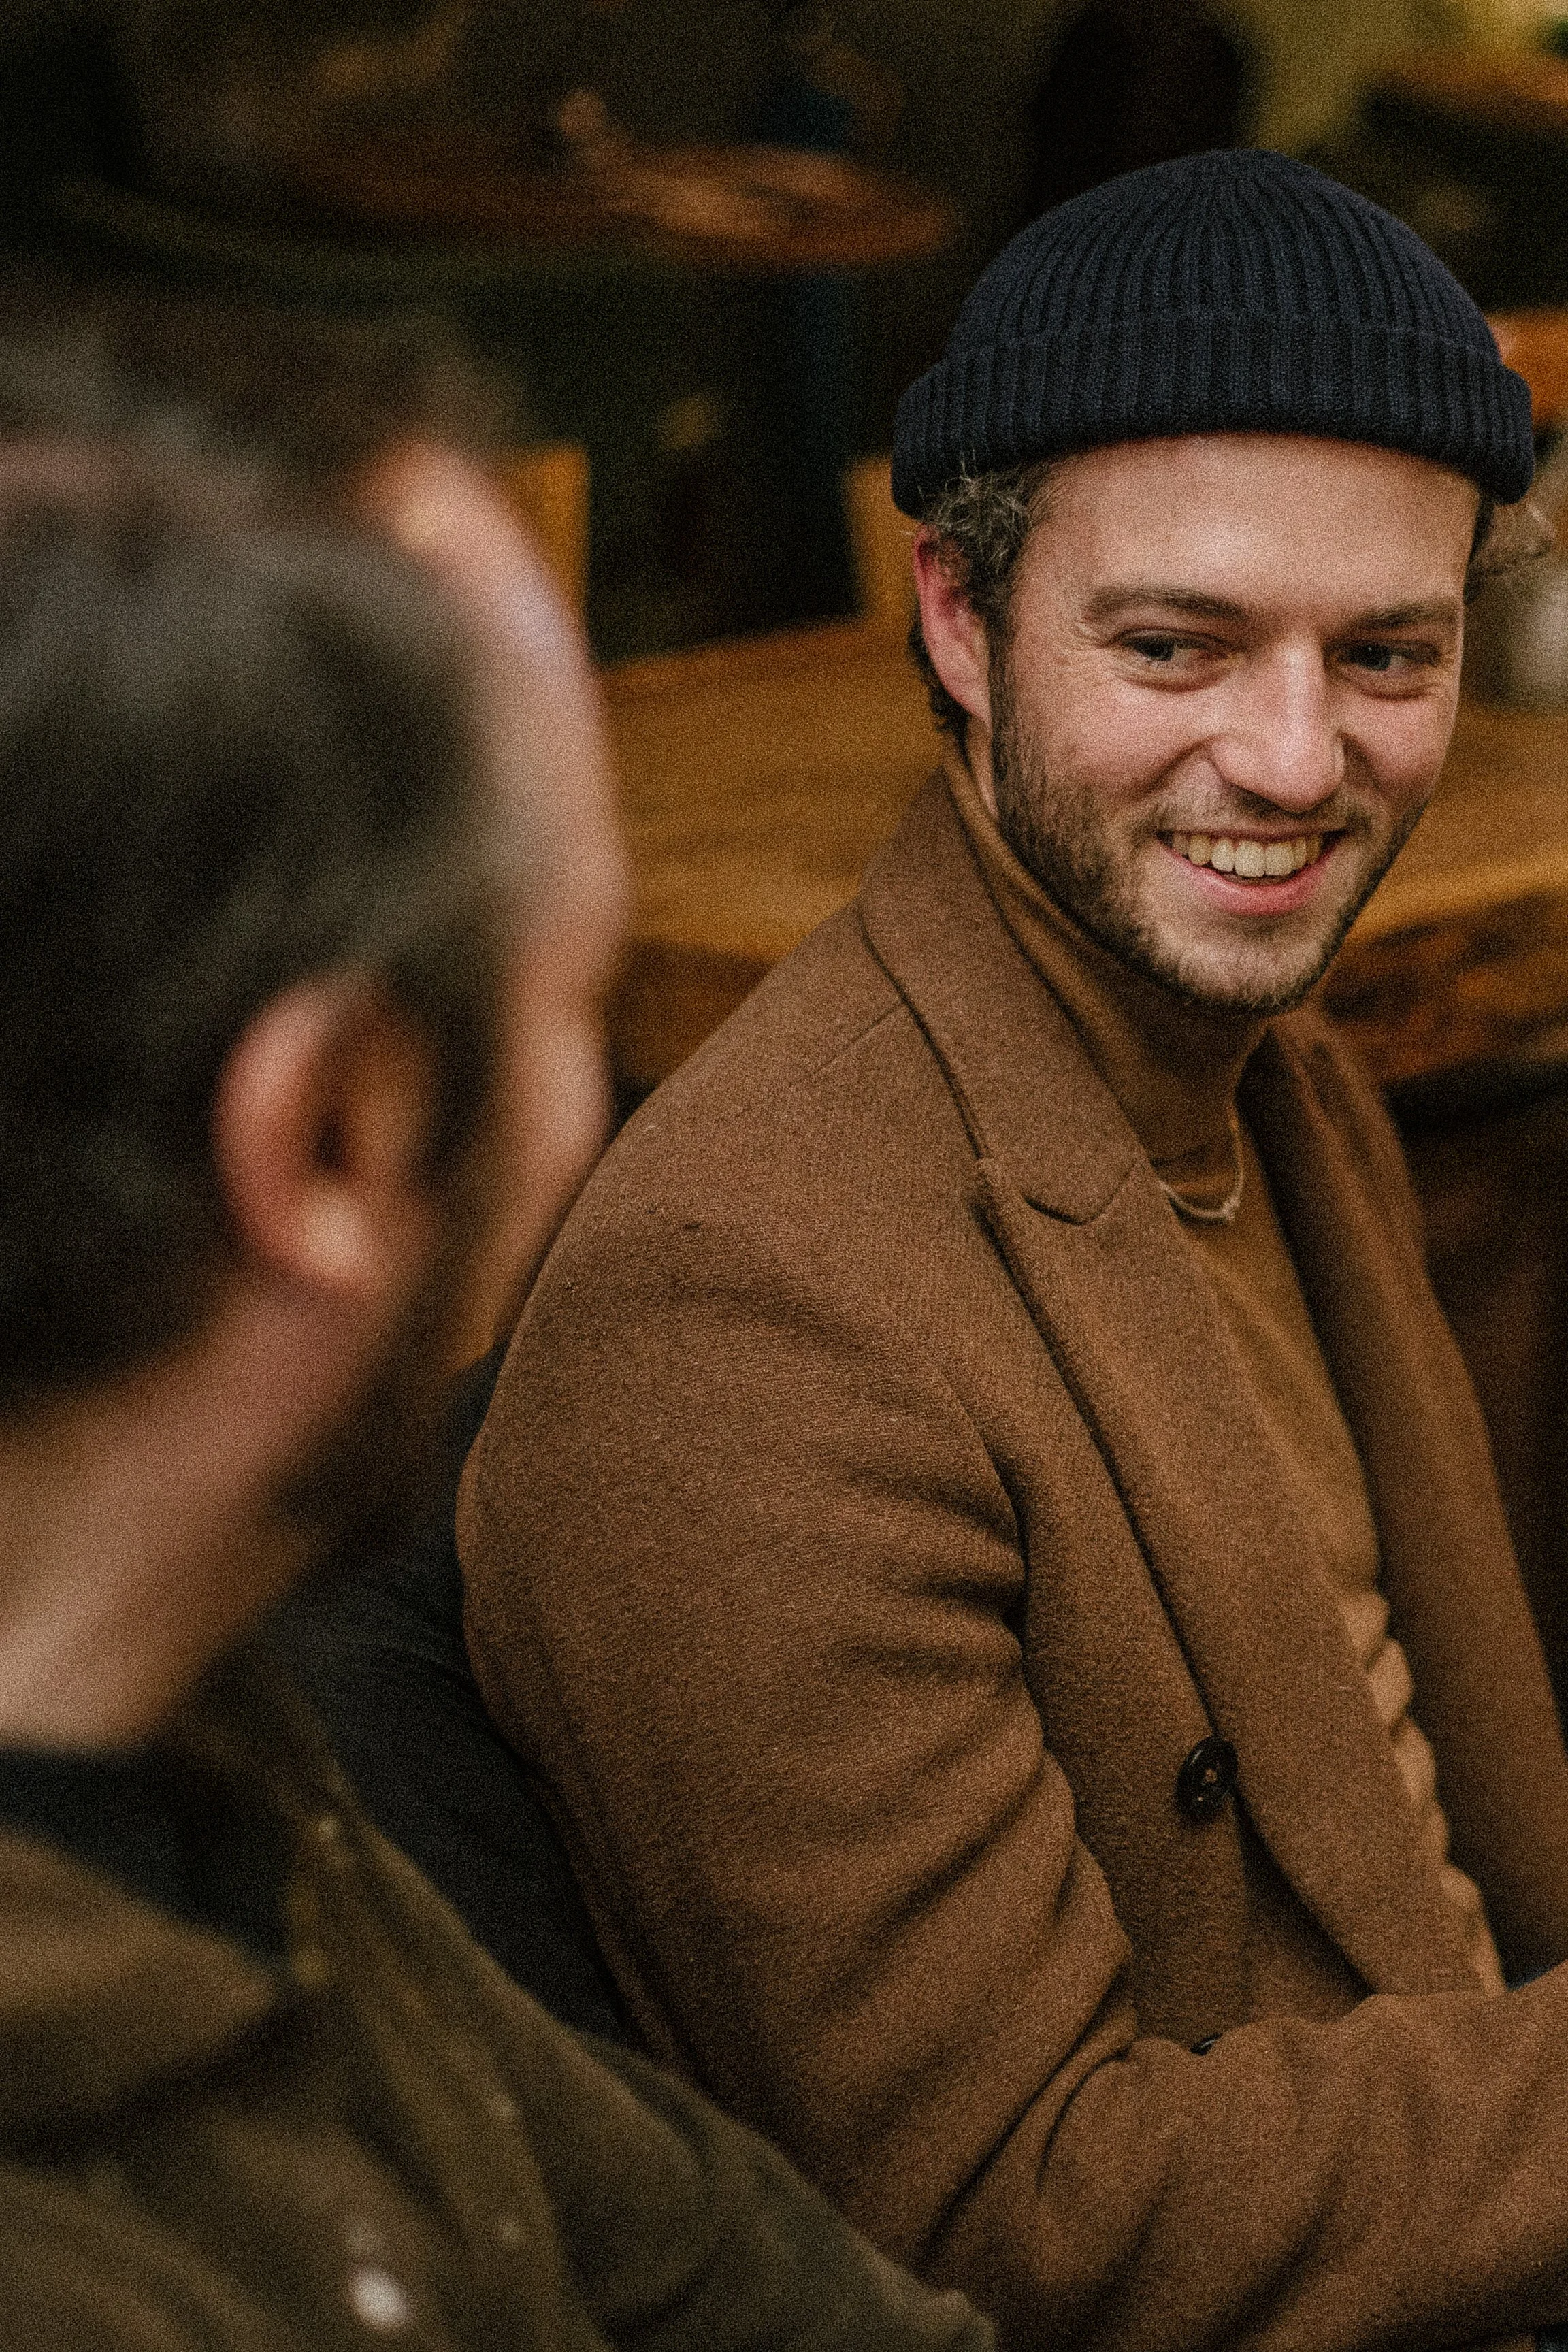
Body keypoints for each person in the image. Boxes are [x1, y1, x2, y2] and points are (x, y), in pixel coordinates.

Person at [458, 150, 1568, 2346]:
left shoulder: (1276, 1077)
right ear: (960, 624)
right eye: (1173, 645)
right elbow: (1013, 2221)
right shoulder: (746, 1313)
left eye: (1389, 656)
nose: (1292, 757)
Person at [0, 411, 990, 2352]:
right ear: (336, 1142)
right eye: (582, 1011)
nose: (599, 1121)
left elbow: (751, 2285)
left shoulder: (200, 1746)